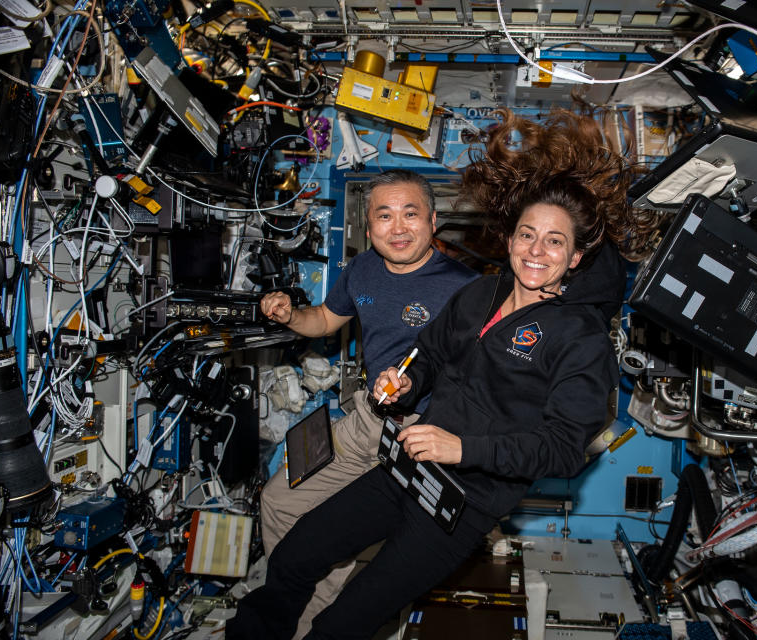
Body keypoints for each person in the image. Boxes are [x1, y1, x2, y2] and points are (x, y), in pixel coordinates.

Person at [228, 109, 658, 640]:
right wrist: (407, 381)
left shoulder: (581, 337)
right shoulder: (480, 294)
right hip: (404, 468)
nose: (536, 251)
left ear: (574, 258)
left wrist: (462, 449)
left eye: (554, 242)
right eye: (527, 235)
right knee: (294, 556)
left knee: (345, 619)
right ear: (509, 240)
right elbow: (427, 355)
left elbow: (564, 450)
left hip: (461, 505)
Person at [257, 169, 476, 637]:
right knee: (278, 501)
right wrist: (290, 314)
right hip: (366, 421)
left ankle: (311, 623)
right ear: (368, 226)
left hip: (423, 434)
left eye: (410, 213)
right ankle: (298, 612)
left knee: (346, 533)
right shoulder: (360, 270)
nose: (397, 227)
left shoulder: (465, 288)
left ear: (433, 221)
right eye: (384, 215)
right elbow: (322, 321)